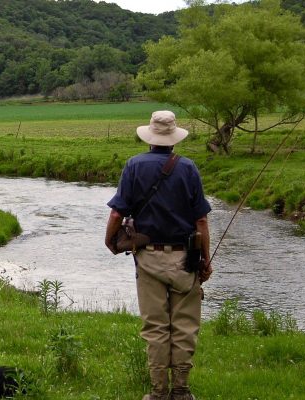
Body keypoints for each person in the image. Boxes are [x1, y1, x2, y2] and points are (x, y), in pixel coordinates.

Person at [105, 111, 212, 400]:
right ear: (174, 139)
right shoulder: (188, 168)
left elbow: (118, 212)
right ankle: (182, 390)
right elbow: (201, 222)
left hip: (148, 259)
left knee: (155, 328)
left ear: (150, 137)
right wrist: (206, 260)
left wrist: (109, 241)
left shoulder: (134, 166)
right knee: (185, 328)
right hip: (185, 260)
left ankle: (158, 392)